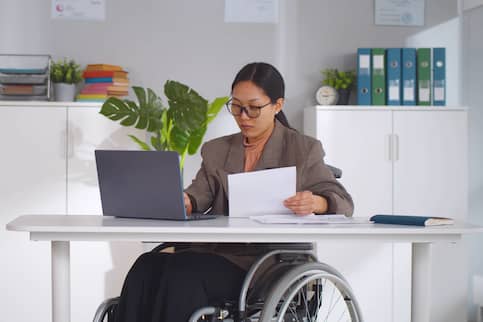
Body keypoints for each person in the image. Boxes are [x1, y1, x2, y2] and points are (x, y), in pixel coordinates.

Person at [114, 62, 354, 322]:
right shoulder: (217, 149)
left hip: (266, 263)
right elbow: (200, 193)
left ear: (277, 105)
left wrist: (316, 202)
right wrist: (186, 201)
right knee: (146, 266)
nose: (243, 116)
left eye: (253, 108)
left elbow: (343, 202)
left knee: (182, 273)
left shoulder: (302, 149)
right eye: (237, 107)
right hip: (213, 252)